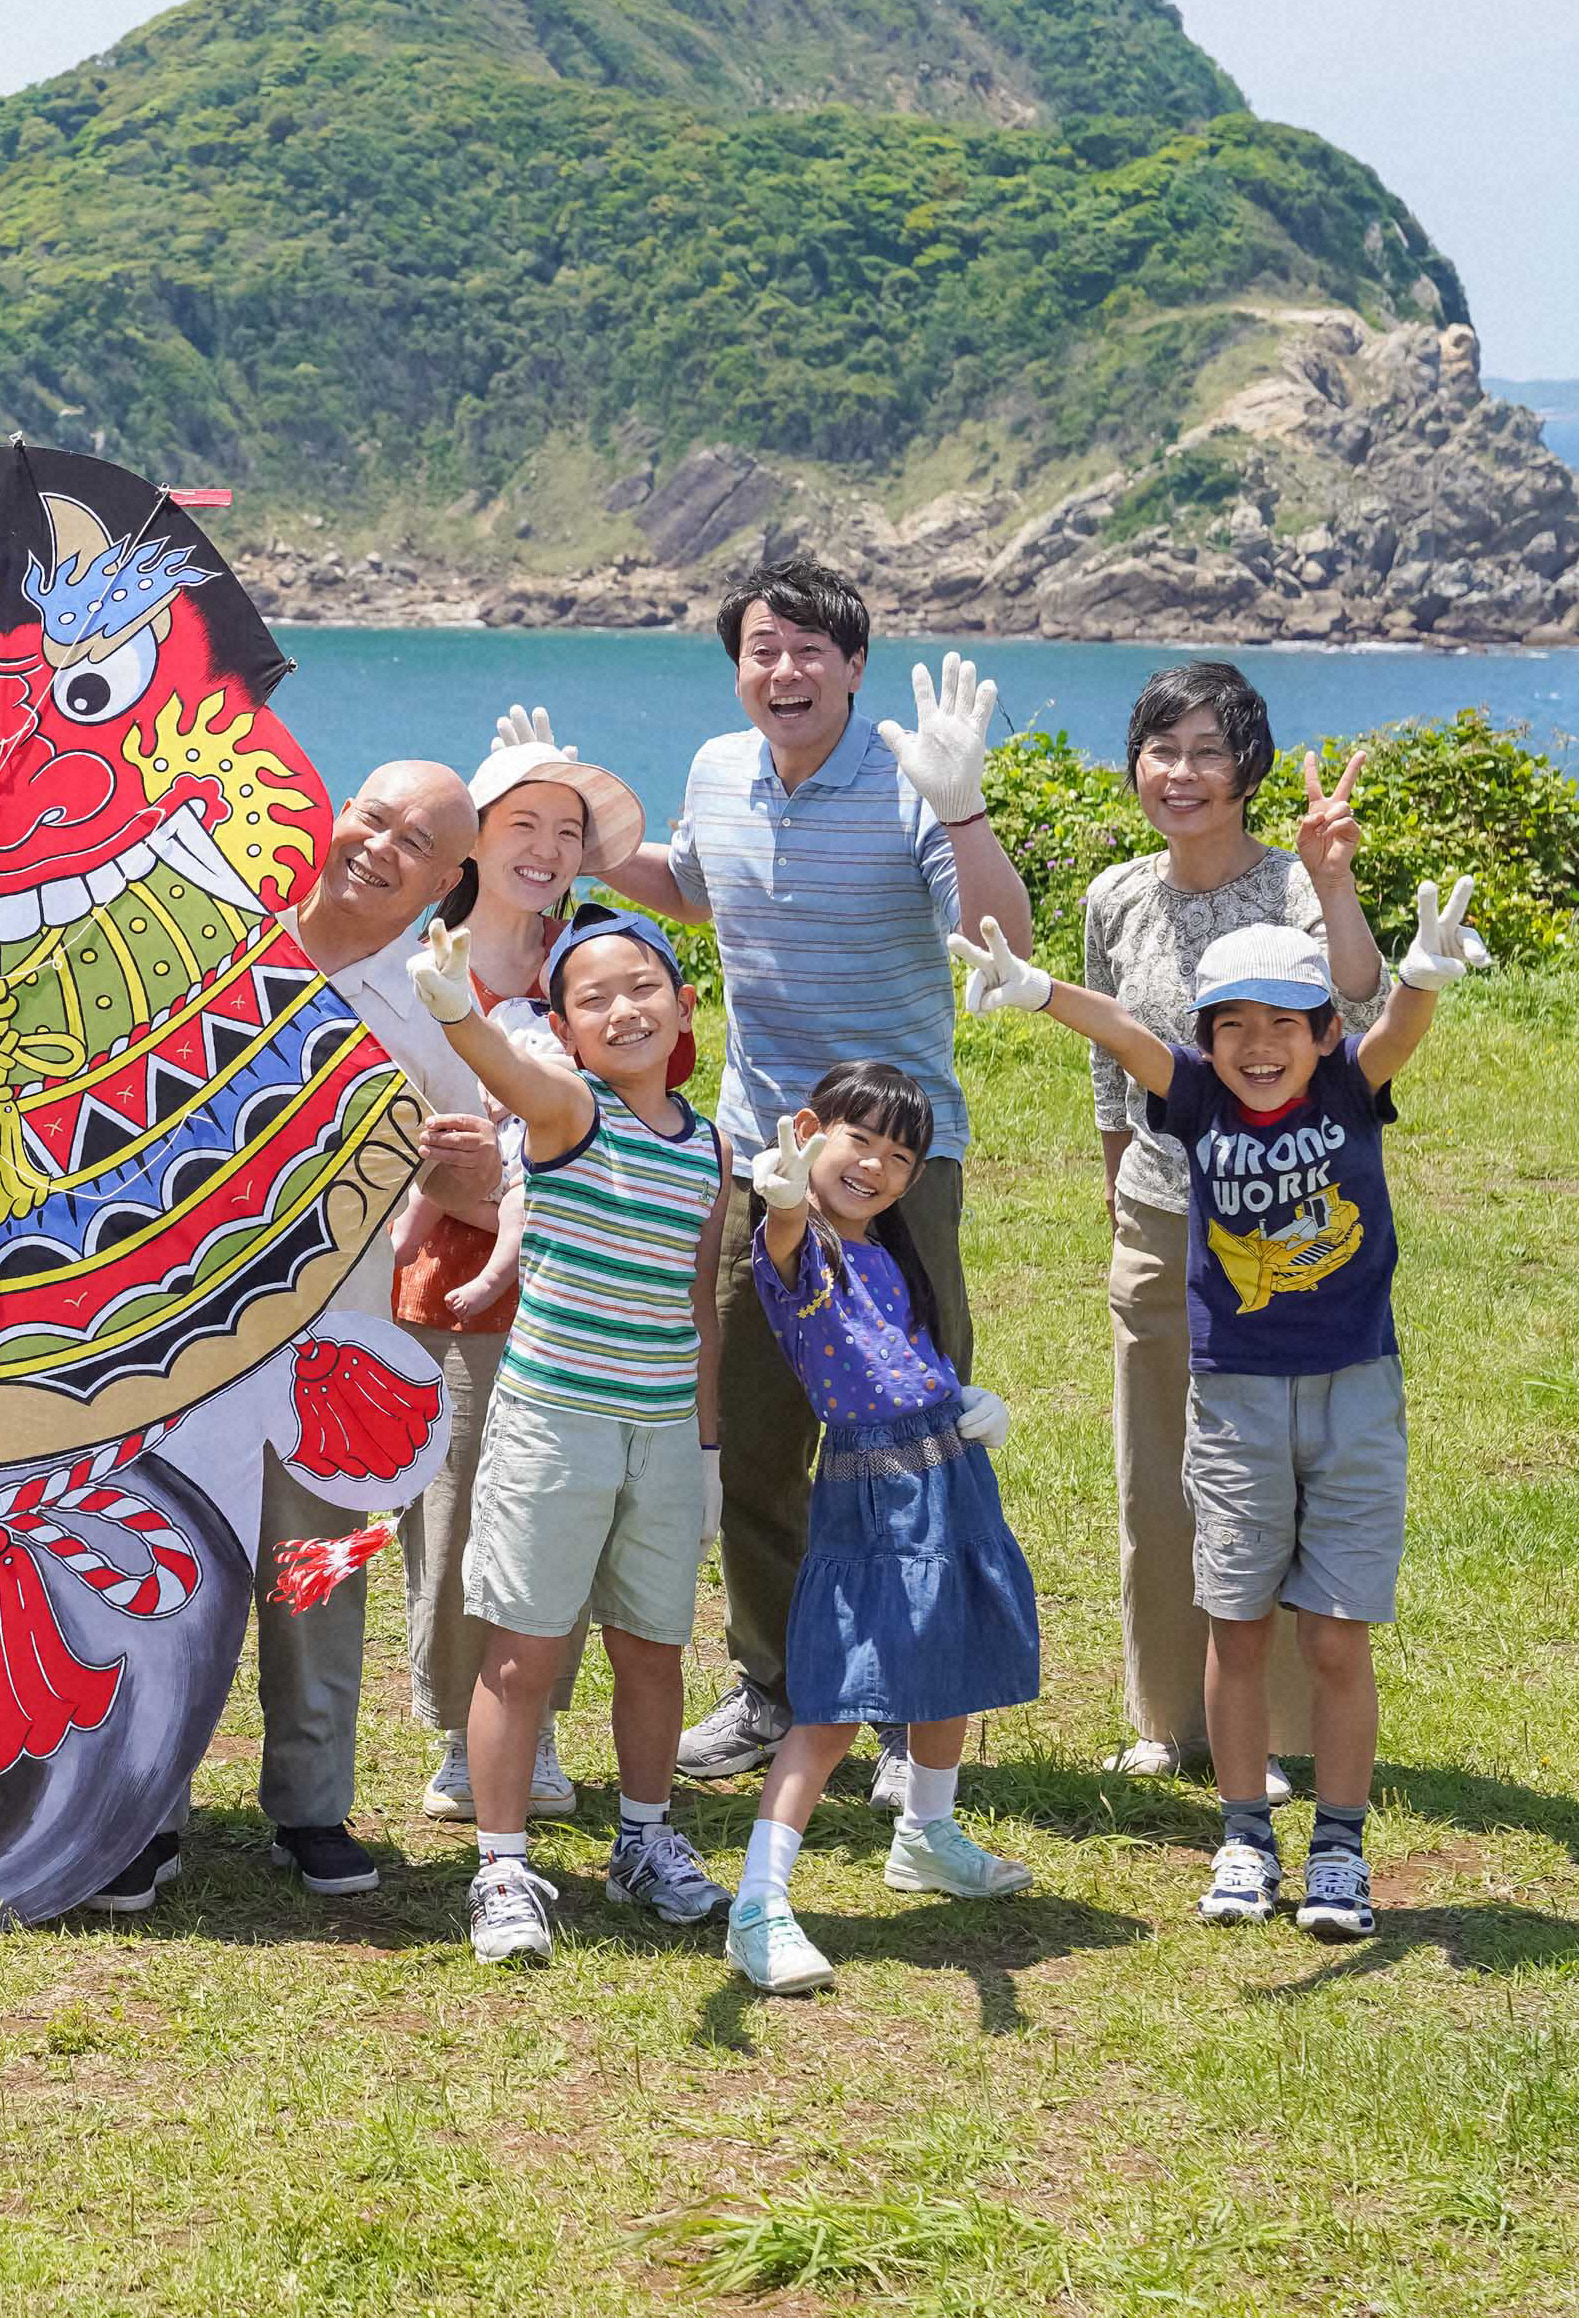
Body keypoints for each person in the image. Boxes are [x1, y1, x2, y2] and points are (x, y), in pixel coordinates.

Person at [954, 882, 1485, 1939]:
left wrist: (1419, 976)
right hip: (1233, 1401)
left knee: (1334, 1637)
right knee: (1234, 1625)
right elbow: (1120, 1027)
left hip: (1353, 1397)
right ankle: (1244, 1836)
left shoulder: (1344, 1088)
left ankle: (1338, 1846)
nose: (1254, 1046)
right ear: (1204, 1039)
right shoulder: (1193, 1098)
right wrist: (1034, 987)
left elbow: (1393, 1033)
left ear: (1318, 1034)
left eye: (1280, 1024)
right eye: (1229, 1025)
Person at [594, 556, 1034, 1791]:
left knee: (906, 1426)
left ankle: (909, 1709)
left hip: (898, 1152)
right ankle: (778, 1685)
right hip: (758, 1150)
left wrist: (960, 808)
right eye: (759, 650)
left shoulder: (905, 784)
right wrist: (560, 826)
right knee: (749, 1430)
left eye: (807, 651)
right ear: (737, 667)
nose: (781, 671)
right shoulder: (714, 773)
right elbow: (687, 887)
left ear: (851, 664)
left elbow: (1001, 937)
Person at [83, 760, 501, 1913]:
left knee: (315, 1574)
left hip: (331, 1342)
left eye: (417, 841)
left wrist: (474, 1179)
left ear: (449, 879)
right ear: (332, 813)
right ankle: (141, 1809)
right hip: (164, 1330)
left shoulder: (431, 1013)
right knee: (157, 1569)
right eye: (371, 815)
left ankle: (309, 1806)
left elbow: (477, 1190)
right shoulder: (214, 946)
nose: (380, 846)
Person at [1079, 663, 1385, 1794]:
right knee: (1155, 1474)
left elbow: (1358, 1001)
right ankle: (1164, 1718)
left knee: (1286, 1476)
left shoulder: (1295, 888)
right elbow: (1113, 1065)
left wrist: (1334, 881)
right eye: (1161, 749)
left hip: (1293, 1229)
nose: (1182, 774)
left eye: (1207, 750)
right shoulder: (1113, 895)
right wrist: (1118, 1183)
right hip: (1164, 1220)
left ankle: (1294, 1734)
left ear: (1246, 767)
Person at [405, 904, 731, 1968]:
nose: (620, 1010)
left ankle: (642, 1838)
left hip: (661, 1430)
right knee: (524, 1655)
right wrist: (455, 1004)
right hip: (554, 1425)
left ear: (683, 1006)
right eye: (590, 999)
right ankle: (501, 1866)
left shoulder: (710, 1148)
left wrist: (709, 1445)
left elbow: (698, 1307)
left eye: (640, 986)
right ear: (566, 1028)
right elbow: (502, 1067)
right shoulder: (565, 1114)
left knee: (652, 1651)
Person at [723, 1063, 1045, 1999]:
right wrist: (779, 1201)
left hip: (948, 1470)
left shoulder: (887, 1252)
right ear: (810, 1130)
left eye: (900, 1156)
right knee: (832, 1702)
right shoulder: (800, 1248)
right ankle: (758, 1904)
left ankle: (927, 1836)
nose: (876, 1166)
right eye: (859, 1140)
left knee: (950, 1651)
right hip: (868, 1491)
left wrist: (964, 1398)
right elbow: (783, 1233)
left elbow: (909, 1351)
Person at [388, 708, 640, 1832]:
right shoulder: (413, 969)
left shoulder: (596, 969)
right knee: (454, 1511)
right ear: (473, 840)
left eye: (568, 829)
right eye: (521, 821)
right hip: (442, 1287)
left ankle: (529, 1726)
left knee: (556, 1511)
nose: (545, 847)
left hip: (580, 1287)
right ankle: (462, 1729)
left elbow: (640, 1114)